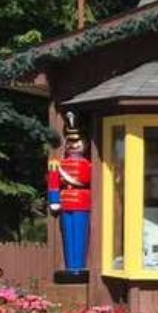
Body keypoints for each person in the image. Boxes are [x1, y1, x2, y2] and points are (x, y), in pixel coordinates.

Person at [46, 112, 92, 274]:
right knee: (68, 235)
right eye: (70, 142)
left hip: (81, 200)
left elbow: (85, 180)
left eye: (76, 141)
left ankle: (78, 267)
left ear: (85, 143)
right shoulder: (59, 163)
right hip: (65, 200)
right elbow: (53, 184)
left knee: (79, 235)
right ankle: (70, 267)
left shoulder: (88, 164)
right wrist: (54, 199)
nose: (73, 145)